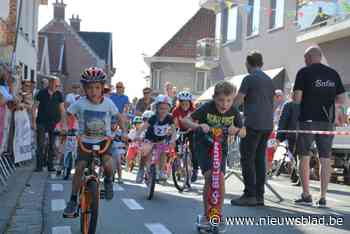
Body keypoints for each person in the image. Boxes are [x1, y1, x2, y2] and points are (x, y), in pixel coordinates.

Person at [63, 67, 128, 217]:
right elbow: (68, 114)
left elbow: (119, 117)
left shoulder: (108, 103)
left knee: (108, 163)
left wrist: (124, 132)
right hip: (85, 142)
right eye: (90, 88)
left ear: (102, 88)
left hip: (104, 141)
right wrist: (66, 127)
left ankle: (109, 181)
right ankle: (73, 200)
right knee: (79, 168)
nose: (94, 91)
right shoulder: (80, 103)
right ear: (85, 88)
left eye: (97, 87)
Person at [182, 81, 245, 231]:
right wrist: (198, 126)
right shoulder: (207, 108)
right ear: (214, 98)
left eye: (229, 100)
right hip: (203, 145)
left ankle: (217, 214)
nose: (225, 104)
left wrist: (235, 130)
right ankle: (206, 215)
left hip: (220, 147)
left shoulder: (234, 112)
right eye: (221, 100)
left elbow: (244, 132)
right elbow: (185, 120)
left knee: (220, 178)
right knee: (210, 176)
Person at [293, 46, 345, 208]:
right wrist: (335, 110)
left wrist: (295, 96)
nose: (304, 61)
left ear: (309, 57)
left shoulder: (304, 72)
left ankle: (306, 194)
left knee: (304, 156)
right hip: (327, 122)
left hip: (307, 120)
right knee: (325, 158)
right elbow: (342, 99)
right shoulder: (333, 74)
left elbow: (297, 99)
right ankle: (323, 197)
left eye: (304, 57)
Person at [231, 51, 275, 207]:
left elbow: (238, 100)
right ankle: (259, 195)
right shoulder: (269, 80)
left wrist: (228, 110)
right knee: (259, 159)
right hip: (267, 124)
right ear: (261, 63)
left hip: (253, 124)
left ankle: (249, 194)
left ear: (248, 64)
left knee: (247, 159)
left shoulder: (249, 78)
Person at [136, 95, 176, 181]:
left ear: (169, 109)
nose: (163, 111)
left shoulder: (169, 118)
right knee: (145, 154)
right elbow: (144, 126)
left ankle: (162, 171)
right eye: (161, 108)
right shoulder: (153, 118)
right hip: (149, 139)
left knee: (163, 153)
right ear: (157, 108)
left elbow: (173, 130)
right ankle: (141, 170)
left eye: (166, 108)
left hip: (161, 140)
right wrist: (137, 134)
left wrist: (173, 140)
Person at [32, 75, 65, 172]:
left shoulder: (59, 94)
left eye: (58, 86)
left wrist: (63, 124)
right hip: (41, 122)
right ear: (50, 83)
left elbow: (62, 109)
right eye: (56, 85)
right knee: (40, 144)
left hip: (54, 123)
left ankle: (50, 166)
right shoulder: (41, 93)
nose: (57, 87)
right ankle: (39, 166)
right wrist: (33, 122)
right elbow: (34, 107)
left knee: (52, 145)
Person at [171, 91, 198, 182]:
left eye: (187, 103)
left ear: (190, 102)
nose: (185, 104)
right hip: (181, 130)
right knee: (176, 145)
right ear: (180, 102)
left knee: (193, 148)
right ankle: (177, 163)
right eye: (182, 102)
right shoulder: (176, 110)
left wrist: (191, 128)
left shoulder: (193, 110)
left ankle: (195, 169)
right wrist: (174, 133)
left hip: (191, 130)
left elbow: (196, 122)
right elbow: (174, 123)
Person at [276, 92, 300, 183]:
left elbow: (283, 120)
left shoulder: (289, 105)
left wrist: (279, 136)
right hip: (304, 134)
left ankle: (295, 176)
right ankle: (296, 176)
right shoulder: (307, 104)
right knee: (301, 155)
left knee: (293, 155)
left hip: (292, 134)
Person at [135, 110, 154, 183]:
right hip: (145, 146)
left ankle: (159, 172)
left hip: (155, 146)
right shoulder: (143, 128)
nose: (147, 122)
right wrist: (139, 138)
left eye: (149, 120)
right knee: (143, 156)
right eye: (145, 120)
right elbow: (139, 135)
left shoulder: (156, 127)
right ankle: (141, 171)